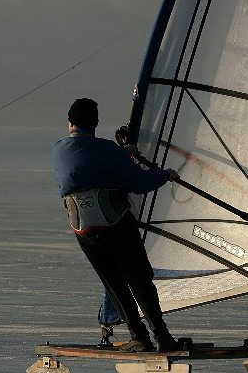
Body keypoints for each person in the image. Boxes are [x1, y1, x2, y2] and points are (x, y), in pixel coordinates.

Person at [52, 98, 179, 353]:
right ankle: (161, 337)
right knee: (138, 279)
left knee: (114, 283)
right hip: (116, 224)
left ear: (69, 122)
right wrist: (165, 175)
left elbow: (87, 159)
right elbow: (139, 184)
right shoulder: (108, 150)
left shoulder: (58, 150)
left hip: (84, 231)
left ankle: (139, 338)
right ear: (96, 123)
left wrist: (122, 154)